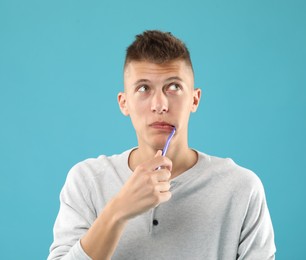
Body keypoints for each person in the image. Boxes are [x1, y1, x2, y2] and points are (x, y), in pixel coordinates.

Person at [48, 30, 276, 260]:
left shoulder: (241, 188)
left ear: (194, 100)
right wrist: (118, 211)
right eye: (144, 88)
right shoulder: (87, 181)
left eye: (174, 87)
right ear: (124, 103)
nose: (160, 105)